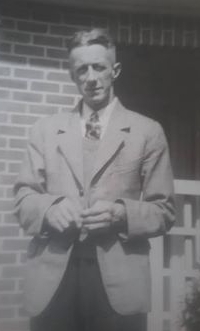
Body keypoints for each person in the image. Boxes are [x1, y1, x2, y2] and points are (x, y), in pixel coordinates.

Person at [14, 28, 175, 331]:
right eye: (81, 69)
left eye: (99, 67)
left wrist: (122, 214)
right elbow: (23, 199)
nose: (91, 77)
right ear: (72, 76)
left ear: (115, 71)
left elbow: (164, 210)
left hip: (119, 284)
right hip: (53, 281)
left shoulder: (147, 132)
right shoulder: (45, 130)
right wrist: (49, 209)